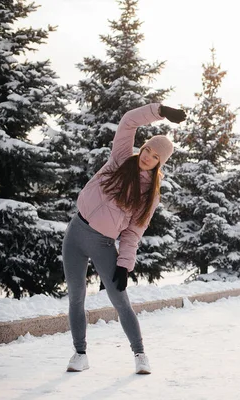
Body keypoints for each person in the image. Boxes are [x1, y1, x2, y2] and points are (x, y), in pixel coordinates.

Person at [62, 103, 186, 374]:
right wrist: (161, 110)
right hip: (75, 232)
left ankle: (140, 354)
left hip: (103, 243)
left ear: (159, 164)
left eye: (154, 157)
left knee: (120, 299)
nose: (147, 157)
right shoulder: (120, 158)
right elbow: (129, 120)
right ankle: (80, 354)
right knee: (76, 296)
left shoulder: (149, 195)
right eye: (147, 150)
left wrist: (124, 264)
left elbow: (133, 232)